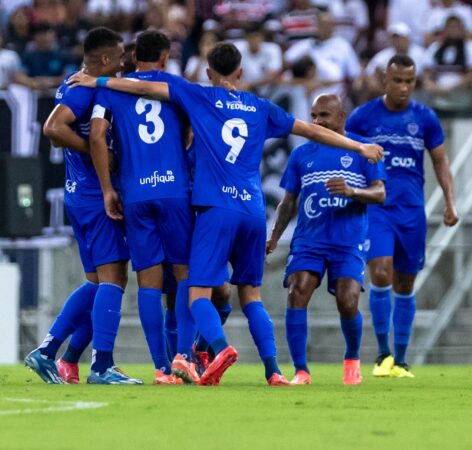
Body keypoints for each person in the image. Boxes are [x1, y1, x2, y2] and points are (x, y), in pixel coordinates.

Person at [68, 42, 384, 386]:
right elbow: (310, 131)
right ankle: (274, 371)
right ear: (241, 72)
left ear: (208, 72)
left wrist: (97, 82)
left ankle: (204, 352)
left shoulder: (199, 96)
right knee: (250, 296)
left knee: (195, 292)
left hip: (214, 209)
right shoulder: (260, 106)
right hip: (252, 211)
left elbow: (143, 86)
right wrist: (359, 146)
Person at [24, 27, 139, 385]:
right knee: (114, 279)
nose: (124, 62)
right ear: (104, 59)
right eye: (119, 57)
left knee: (96, 282)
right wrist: (93, 149)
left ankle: (47, 352)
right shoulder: (82, 89)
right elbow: (53, 127)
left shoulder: (87, 84)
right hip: (94, 195)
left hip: (80, 194)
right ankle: (101, 365)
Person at [346, 54, 459, 378]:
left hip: (412, 211)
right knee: (381, 272)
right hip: (378, 207)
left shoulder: (425, 118)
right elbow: (346, 155)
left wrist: (449, 203)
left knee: (406, 283)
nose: (404, 87)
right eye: (398, 80)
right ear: (385, 80)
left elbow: (440, 162)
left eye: (410, 81)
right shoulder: (362, 118)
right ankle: (383, 354)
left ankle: (402, 358)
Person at [89, 30, 191, 385]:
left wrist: (106, 189)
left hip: (135, 194)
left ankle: (161, 368)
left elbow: (97, 135)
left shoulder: (110, 89)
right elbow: (192, 131)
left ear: (134, 57)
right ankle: (185, 359)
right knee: (184, 277)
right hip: (175, 191)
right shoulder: (177, 86)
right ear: (163, 58)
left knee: (147, 282)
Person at [267, 94, 386, 386]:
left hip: (348, 240)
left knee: (348, 302)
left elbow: (380, 194)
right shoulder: (302, 154)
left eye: (324, 116)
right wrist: (274, 236)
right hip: (310, 239)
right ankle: (301, 371)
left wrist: (353, 192)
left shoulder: (362, 150)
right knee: (297, 292)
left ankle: (352, 360)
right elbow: (288, 203)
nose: (317, 121)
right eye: (314, 115)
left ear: (341, 117)